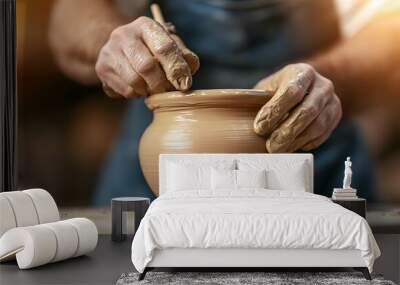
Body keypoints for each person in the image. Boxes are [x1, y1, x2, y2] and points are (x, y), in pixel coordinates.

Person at [49, 0, 400, 204]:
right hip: (163, 162)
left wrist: (328, 75)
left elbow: (391, 31)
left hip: (309, 149)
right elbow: (67, 17)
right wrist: (109, 42)